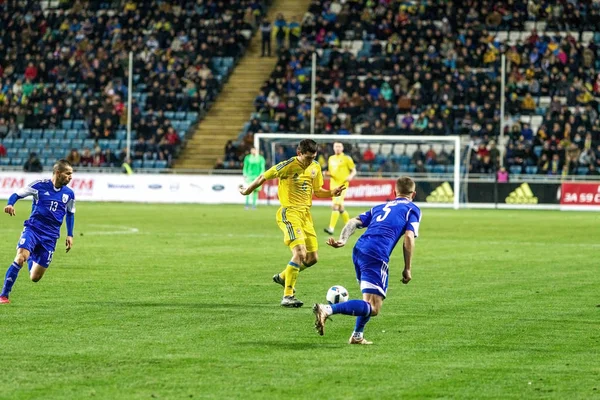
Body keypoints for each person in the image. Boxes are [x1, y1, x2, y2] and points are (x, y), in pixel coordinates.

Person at [312, 176, 421, 344]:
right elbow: (409, 237)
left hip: (359, 249)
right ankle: (327, 309)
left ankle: (357, 335)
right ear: (413, 194)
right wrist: (408, 267)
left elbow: (353, 221)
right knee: (375, 307)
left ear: (394, 192)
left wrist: (343, 239)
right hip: (376, 253)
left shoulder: (381, 206)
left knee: (368, 299)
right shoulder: (412, 209)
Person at [239, 139, 345, 307]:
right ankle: (288, 295)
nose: (310, 160)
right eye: (307, 157)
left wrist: (332, 192)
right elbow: (262, 177)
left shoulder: (315, 167)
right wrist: (247, 191)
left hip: (306, 216)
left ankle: (283, 276)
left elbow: (317, 191)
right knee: (300, 253)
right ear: (299, 153)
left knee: (312, 258)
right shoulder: (287, 166)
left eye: (313, 157)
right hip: (289, 213)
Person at [1, 160, 76, 304]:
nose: (70, 177)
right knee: (20, 257)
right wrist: (10, 203)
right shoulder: (39, 186)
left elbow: (70, 214)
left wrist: (70, 234)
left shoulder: (70, 194)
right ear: (58, 173)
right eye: (68, 174)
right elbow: (17, 194)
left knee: (34, 277)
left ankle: (31, 256)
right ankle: (4, 295)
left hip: (51, 236)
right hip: (33, 229)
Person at [324, 142, 356, 235]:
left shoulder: (346, 158)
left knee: (335, 206)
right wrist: (326, 173)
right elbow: (331, 172)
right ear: (333, 148)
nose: (337, 148)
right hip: (333, 185)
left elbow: (354, 170)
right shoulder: (331, 158)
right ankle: (350, 227)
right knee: (341, 208)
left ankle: (331, 228)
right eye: (336, 146)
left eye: (339, 146)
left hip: (342, 186)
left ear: (342, 148)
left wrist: (351, 176)